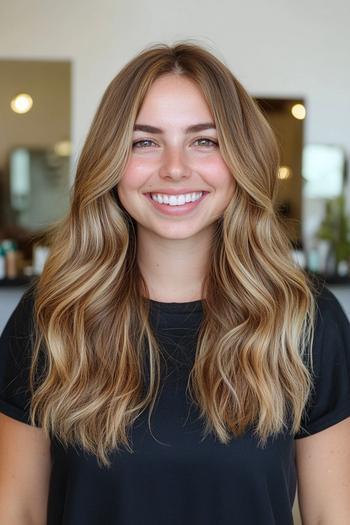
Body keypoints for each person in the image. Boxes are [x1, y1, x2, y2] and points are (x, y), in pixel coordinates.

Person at [0, 41, 349, 525]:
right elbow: (15, 511)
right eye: (145, 141)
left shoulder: (305, 317)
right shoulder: (52, 315)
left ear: (239, 160)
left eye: (204, 140)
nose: (175, 167)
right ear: (111, 161)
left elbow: (335, 514)